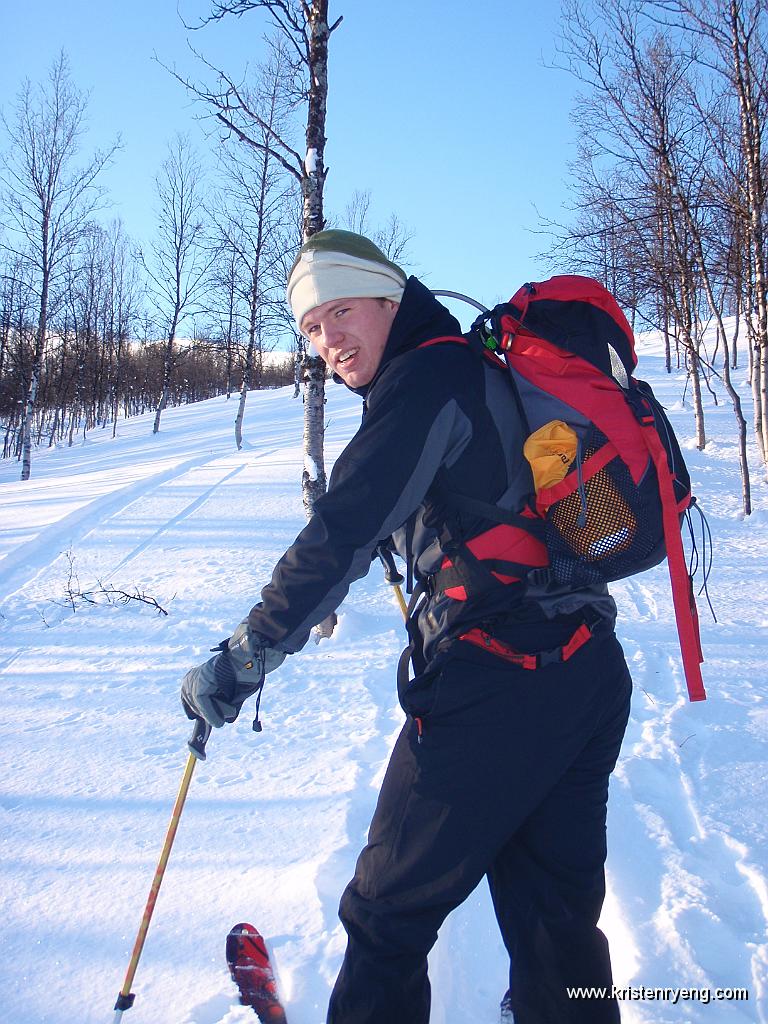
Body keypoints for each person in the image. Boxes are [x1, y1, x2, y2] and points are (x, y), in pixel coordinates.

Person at [182, 229, 632, 1024]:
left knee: (386, 917)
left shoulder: (429, 378)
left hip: (500, 683)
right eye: (312, 329)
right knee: (556, 925)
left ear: (391, 300)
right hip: (587, 669)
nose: (329, 342)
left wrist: (249, 652)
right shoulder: (480, 369)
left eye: (343, 312)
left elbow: (342, 531)